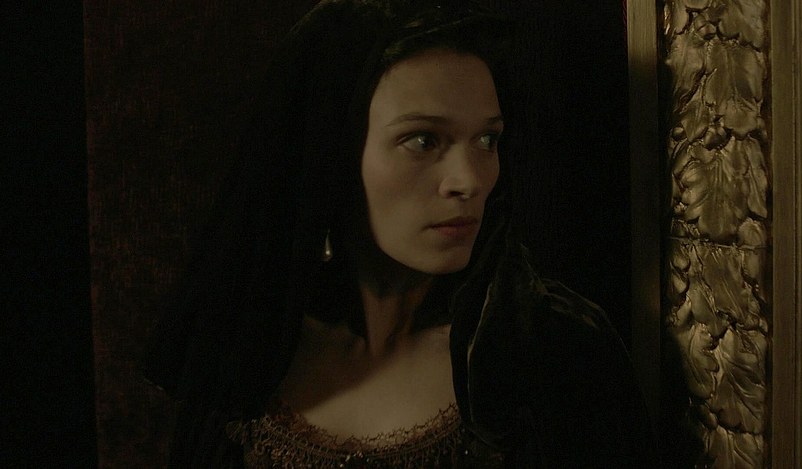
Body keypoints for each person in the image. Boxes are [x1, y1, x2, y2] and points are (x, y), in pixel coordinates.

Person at [145, 0, 657, 467]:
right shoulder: (247, 354)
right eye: (423, 140)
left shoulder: (549, 353)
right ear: (335, 154)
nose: (469, 181)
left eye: (487, 139)